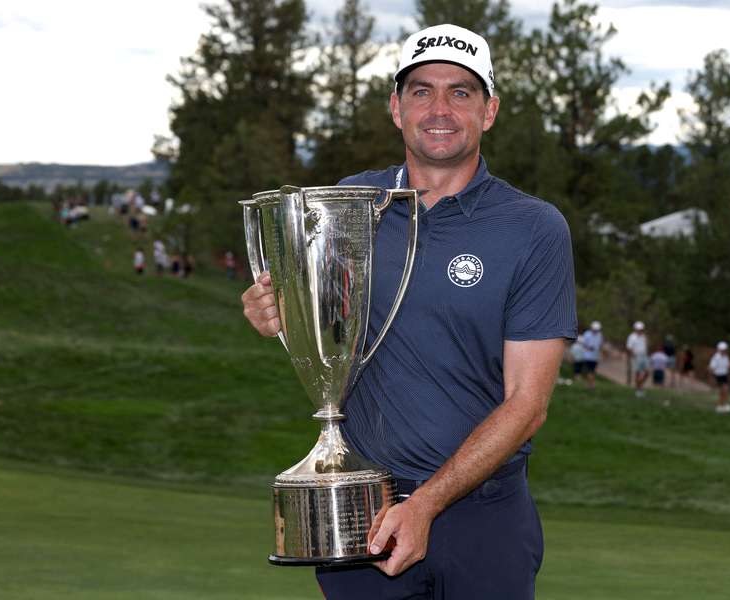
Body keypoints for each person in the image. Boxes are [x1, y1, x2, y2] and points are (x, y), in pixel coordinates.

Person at [241, 23, 575, 600]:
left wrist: (425, 506)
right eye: (421, 91)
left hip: (484, 518)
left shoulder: (533, 228)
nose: (439, 109)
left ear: (489, 111)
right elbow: (328, 327)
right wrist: (277, 310)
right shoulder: (348, 204)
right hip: (365, 509)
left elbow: (527, 403)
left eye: (460, 92)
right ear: (396, 108)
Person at [626, 321, 649, 397]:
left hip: (644, 355)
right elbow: (629, 348)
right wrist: (633, 355)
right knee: (638, 374)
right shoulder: (632, 337)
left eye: (641, 329)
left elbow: (645, 346)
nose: (640, 330)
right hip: (636, 356)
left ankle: (639, 386)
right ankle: (638, 390)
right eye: (638, 329)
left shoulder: (644, 336)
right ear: (635, 329)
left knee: (647, 372)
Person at [580, 320, 603, 389]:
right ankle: (591, 384)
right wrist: (589, 348)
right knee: (591, 371)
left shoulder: (599, 335)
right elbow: (584, 344)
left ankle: (590, 384)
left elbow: (600, 345)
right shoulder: (587, 334)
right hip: (588, 356)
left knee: (592, 371)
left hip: (595, 356)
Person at [709, 341, 730, 413]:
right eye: (722, 349)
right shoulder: (716, 357)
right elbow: (712, 368)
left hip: (724, 375)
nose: (723, 351)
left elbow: (727, 366)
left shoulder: (726, 357)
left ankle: (722, 405)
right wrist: (712, 377)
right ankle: (720, 405)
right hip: (718, 375)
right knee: (723, 390)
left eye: (724, 349)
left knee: (724, 391)